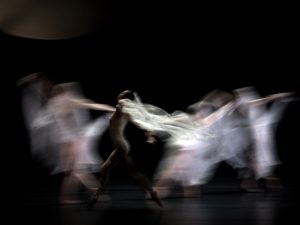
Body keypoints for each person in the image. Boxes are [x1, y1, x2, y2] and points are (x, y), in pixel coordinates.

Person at [88, 90, 163, 209]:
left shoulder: (121, 108)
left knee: (116, 170)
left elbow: (140, 123)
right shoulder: (125, 112)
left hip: (122, 146)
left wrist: (149, 135)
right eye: (120, 95)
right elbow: (141, 124)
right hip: (121, 146)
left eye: (122, 95)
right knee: (126, 172)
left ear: (125, 100)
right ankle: (152, 193)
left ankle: (98, 194)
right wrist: (149, 135)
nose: (119, 96)